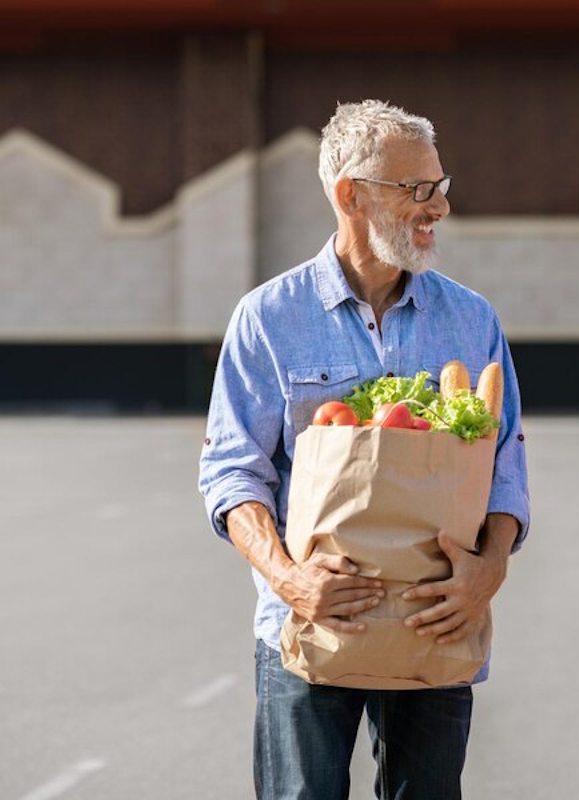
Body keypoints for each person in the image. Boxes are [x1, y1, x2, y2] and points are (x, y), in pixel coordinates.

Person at [198, 100, 530, 800]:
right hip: (309, 619)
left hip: (436, 617)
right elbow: (233, 473)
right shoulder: (269, 317)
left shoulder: (472, 319)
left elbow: (505, 466)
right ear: (349, 194)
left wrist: (488, 570)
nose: (437, 206)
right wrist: (292, 581)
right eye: (416, 189)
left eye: (441, 185)